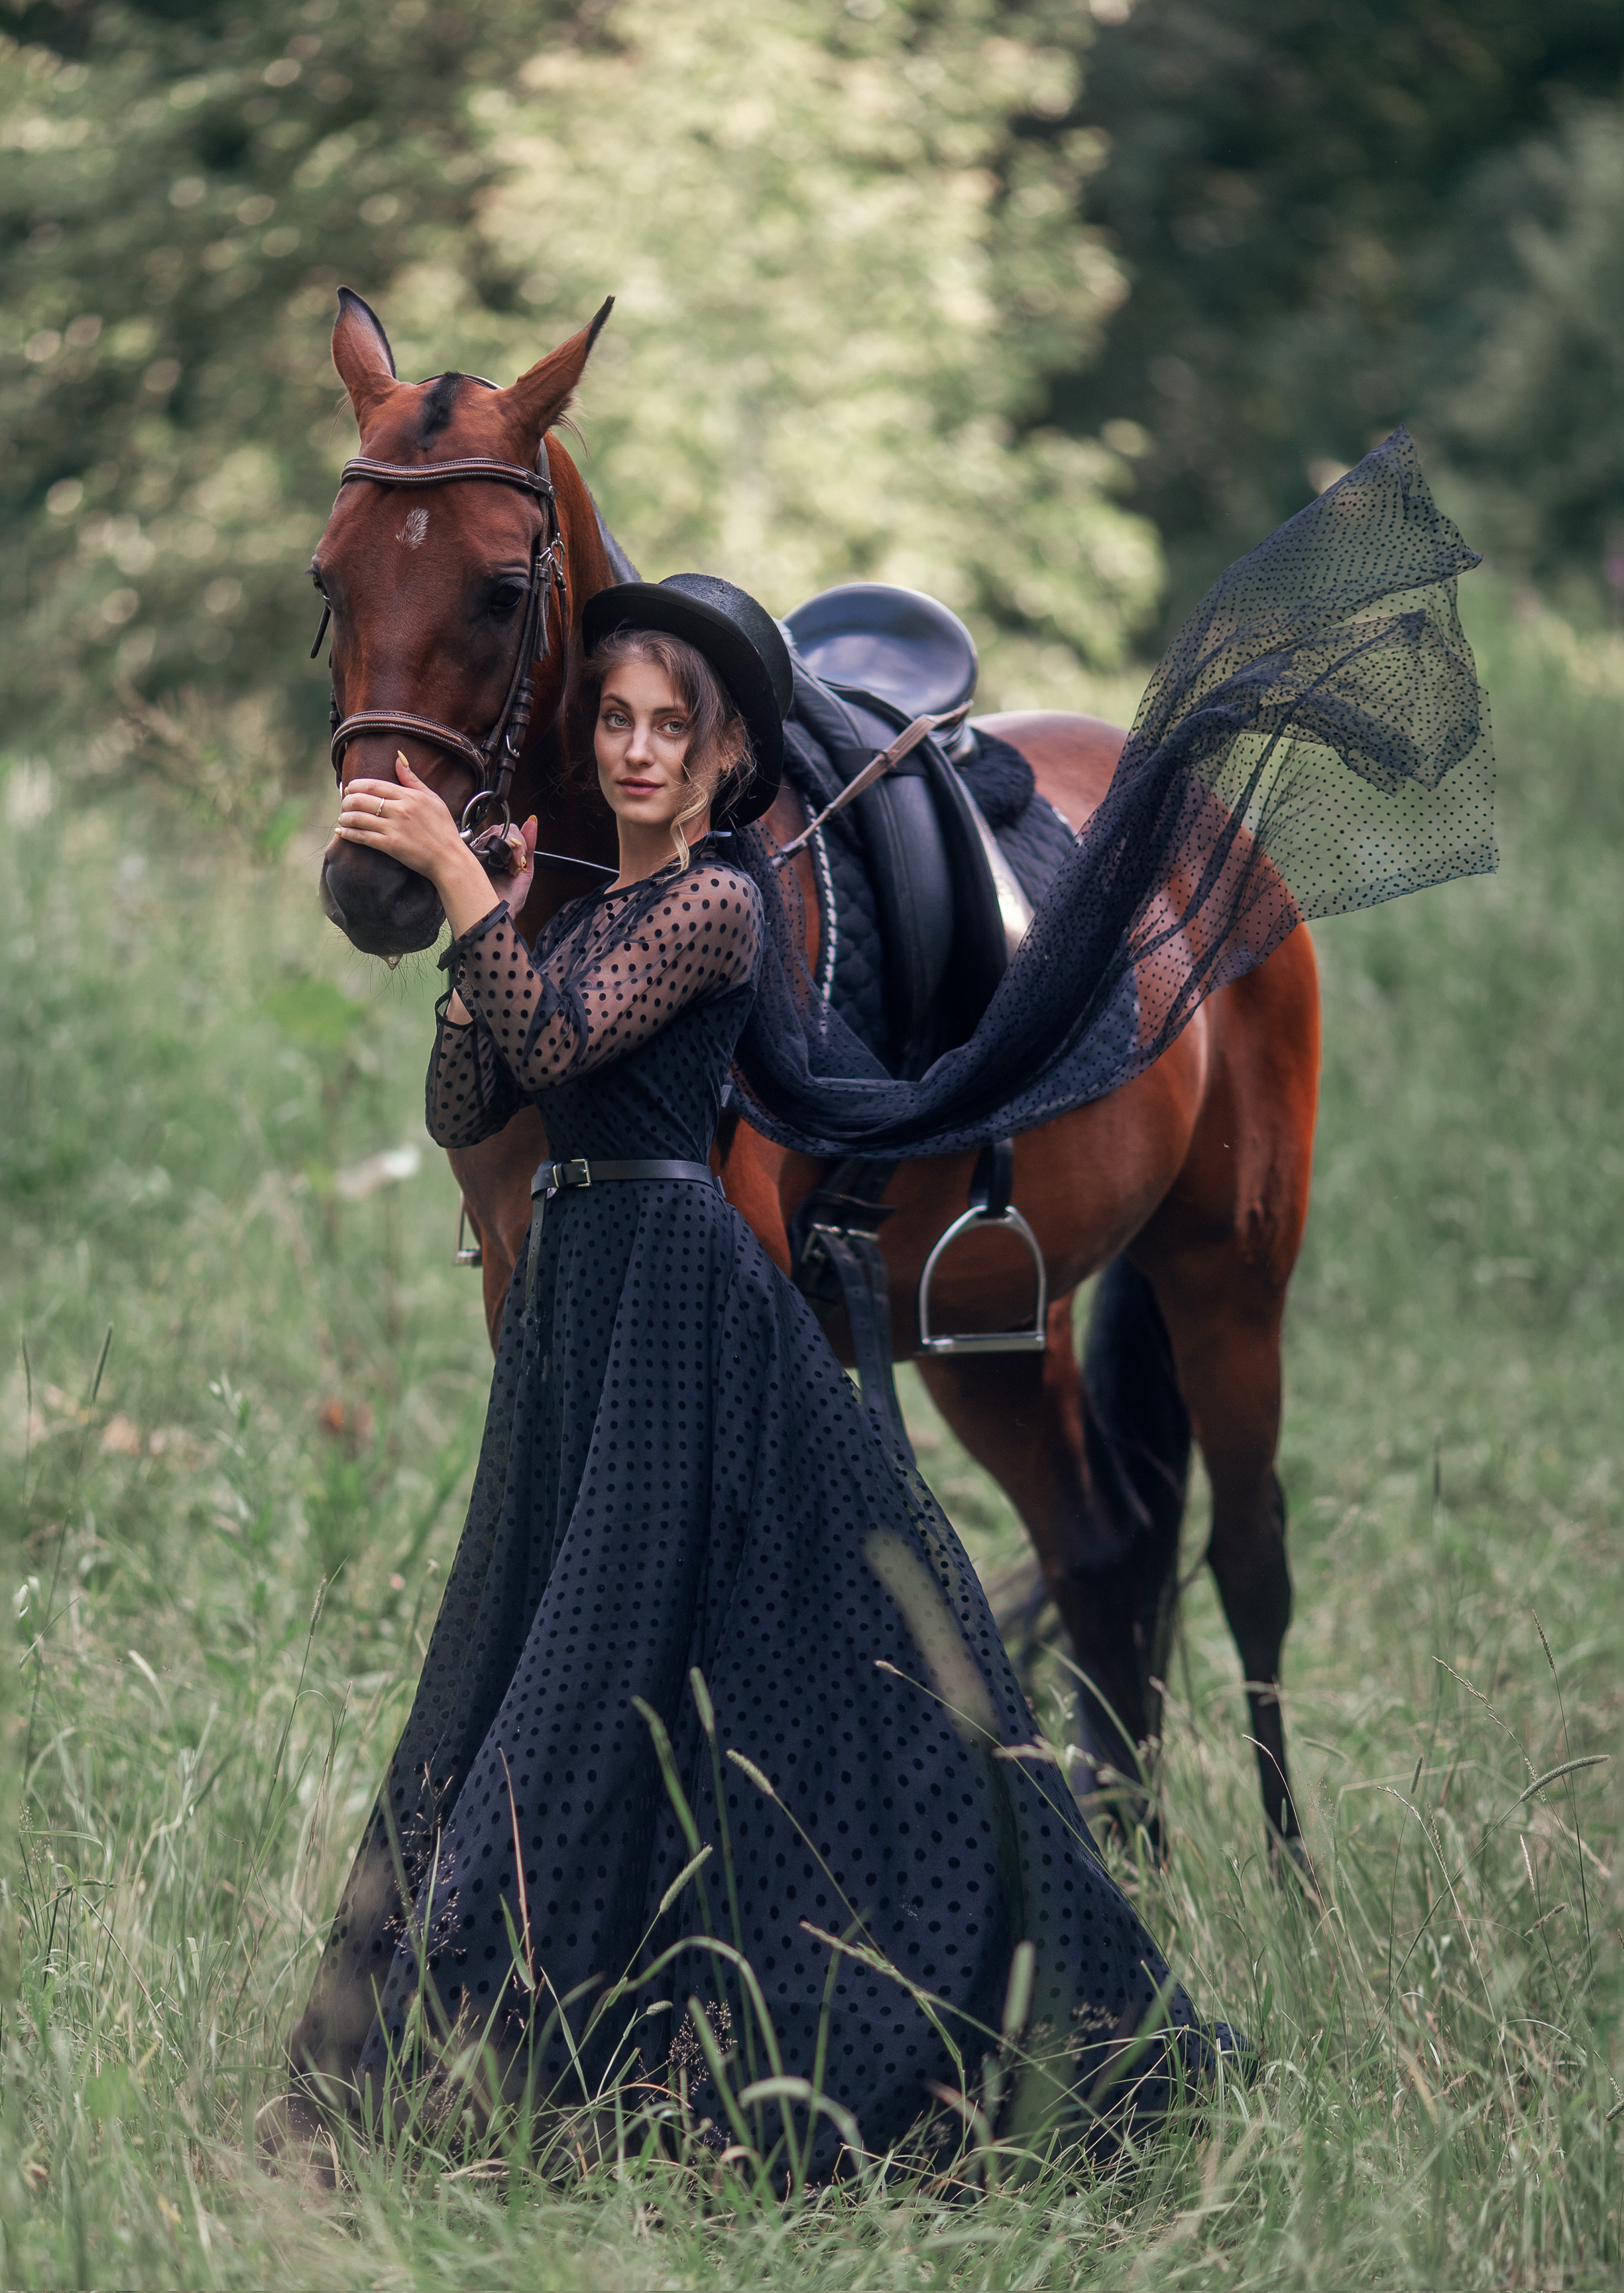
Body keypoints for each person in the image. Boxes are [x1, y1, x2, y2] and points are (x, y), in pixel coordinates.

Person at [286, 571, 1222, 2175]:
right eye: (616, 721)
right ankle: (560, 2038)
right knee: (526, 1650)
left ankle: (711, 2032)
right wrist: (487, 918)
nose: (638, 752)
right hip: (577, 1313)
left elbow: (570, 1047)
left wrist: (457, 883)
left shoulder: (714, 906)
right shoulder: (570, 917)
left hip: (675, 1293)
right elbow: (470, 1094)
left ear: (722, 765)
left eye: (670, 729)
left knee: (591, 1672)